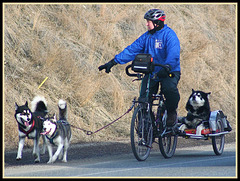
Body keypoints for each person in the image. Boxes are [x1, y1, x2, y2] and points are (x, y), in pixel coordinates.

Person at [98, 9, 181, 127]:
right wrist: (113, 62)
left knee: (169, 89)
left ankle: (171, 112)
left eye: (149, 21)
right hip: (152, 72)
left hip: (169, 71)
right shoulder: (146, 37)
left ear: (157, 23)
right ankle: (147, 125)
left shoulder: (169, 35)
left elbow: (173, 54)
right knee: (144, 99)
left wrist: (167, 66)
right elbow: (131, 50)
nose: (146, 24)